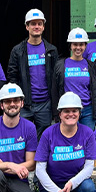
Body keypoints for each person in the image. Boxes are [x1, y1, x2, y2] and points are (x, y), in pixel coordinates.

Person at [35, 92, 96, 192]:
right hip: (52, 185)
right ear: (60, 114)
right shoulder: (48, 133)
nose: (71, 114)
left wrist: (71, 183)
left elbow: (89, 167)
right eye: (66, 111)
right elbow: (39, 169)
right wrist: (56, 191)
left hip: (74, 184)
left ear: (80, 113)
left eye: (74, 110)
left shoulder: (87, 133)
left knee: (89, 189)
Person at [8, 8, 59, 137]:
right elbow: (12, 77)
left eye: (39, 24)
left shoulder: (51, 50)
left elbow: (56, 78)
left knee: (44, 139)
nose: (36, 26)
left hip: (45, 104)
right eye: (33, 24)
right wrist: (18, 100)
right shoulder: (18, 51)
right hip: (25, 105)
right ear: (27, 27)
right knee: (23, 137)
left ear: (43, 27)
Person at [54, 28, 96, 129]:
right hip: (68, 110)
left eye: (81, 44)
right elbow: (55, 90)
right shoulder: (61, 65)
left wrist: (95, 112)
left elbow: (95, 90)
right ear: (70, 46)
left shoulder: (91, 66)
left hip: (87, 110)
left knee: (86, 140)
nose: (78, 47)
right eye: (75, 44)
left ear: (85, 46)